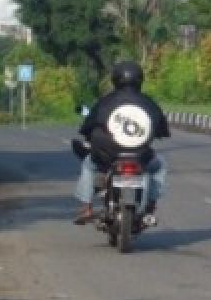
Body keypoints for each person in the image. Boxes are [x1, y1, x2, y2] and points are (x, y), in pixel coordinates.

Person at [73, 60, 170, 225]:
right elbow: (162, 128)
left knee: (89, 165)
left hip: (110, 155)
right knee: (159, 166)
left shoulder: (106, 102)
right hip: (139, 154)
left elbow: (88, 125)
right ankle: (151, 207)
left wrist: (90, 134)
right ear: (140, 80)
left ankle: (87, 207)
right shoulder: (148, 103)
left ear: (115, 80)